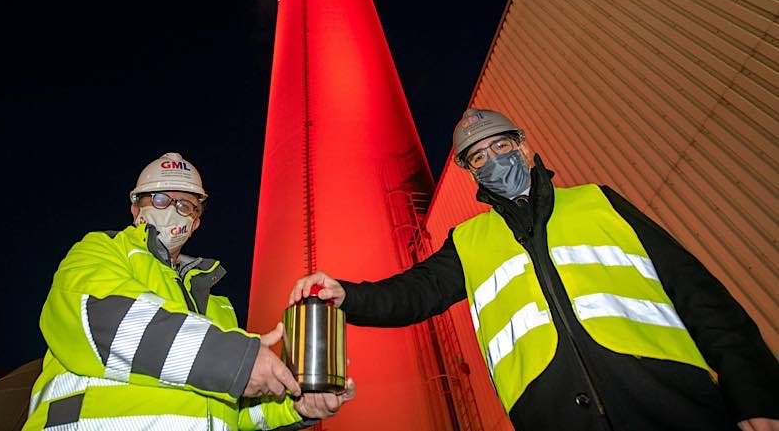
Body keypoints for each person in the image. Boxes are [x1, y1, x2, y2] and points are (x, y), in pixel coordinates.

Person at [290, 109, 779, 431]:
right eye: (478, 157)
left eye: (500, 147)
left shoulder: (598, 203)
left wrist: (757, 395)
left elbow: (701, 297)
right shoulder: (470, 241)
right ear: (471, 173)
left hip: (675, 407)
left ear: (524, 147)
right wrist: (347, 296)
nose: (493, 161)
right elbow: (413, 293)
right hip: (554, 417)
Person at [24, 152, 354, 430]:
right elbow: (106, 322)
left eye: (185, 204)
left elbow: (231, 412)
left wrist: (296, 402)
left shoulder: (216, 307)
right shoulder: (101, 251)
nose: (171, 210)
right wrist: (236, 359)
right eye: (159, 198)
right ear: (135, 209)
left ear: (196, 222)